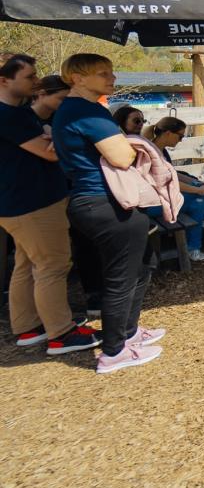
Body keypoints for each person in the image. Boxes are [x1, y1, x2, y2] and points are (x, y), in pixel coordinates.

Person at [52, 53, 161, 374]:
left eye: (111, 72)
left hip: (98, 201)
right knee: (121, 279)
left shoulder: (76, 110)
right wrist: (131, 145)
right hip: (104, 201)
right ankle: (114, 351)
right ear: (77, 78)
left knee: (140, 268)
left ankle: (128, 332)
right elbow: (122, 157)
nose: (112, 78)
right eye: (103, 73)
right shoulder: (86, 111)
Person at [1, 53, 99, 357]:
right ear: (4, 80)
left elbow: (46, 141)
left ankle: (28, 326)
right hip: (33, 203)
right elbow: (50, 152)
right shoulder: (10, 116)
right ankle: (61, 333)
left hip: (20, 203)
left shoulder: (19, 112)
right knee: (53, 265)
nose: (36, 81)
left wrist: (51, 136)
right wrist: (60, 139)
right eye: (29, 76)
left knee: (27, 263)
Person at [142, 117, 204, 261]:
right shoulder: (151, 153)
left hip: (161, 199)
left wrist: (195, 182)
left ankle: (195, 245)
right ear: (168, 133)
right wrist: (197, 190)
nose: (181, 140)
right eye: (180, 136)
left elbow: (172, 174)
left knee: (197, 203)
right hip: (151, 205)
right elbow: (168, 182)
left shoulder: (159, 150)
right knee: (198, 199)